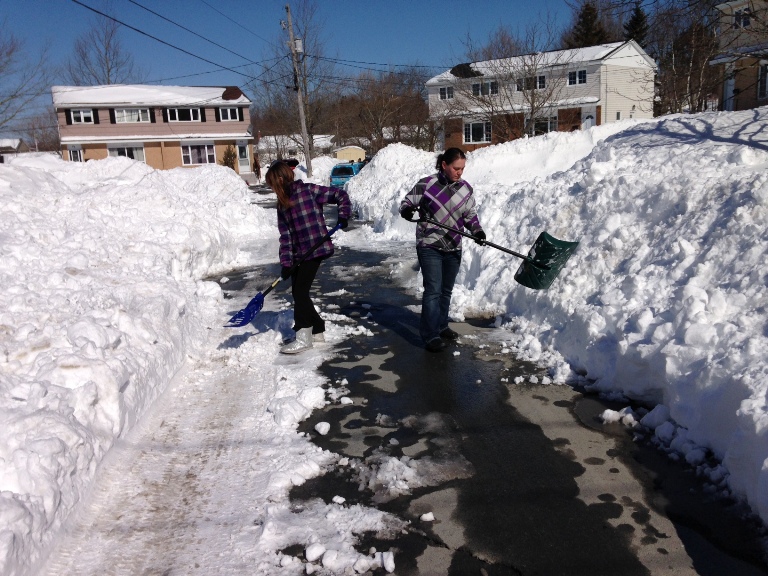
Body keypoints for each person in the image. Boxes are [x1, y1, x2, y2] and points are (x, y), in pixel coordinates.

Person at [399, 148, 486, 353]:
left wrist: (478, 231)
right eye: (456, 168)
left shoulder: (466, 189)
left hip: (454, 245)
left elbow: (470, 215)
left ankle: (441, 325)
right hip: (430, 244)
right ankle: (429, 335)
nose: (459, 172)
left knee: (446, 291)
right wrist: (407, 210)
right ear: (444, 165)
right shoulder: (427, 184)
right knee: (433, 290)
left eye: (462, 169)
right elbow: (407, 202)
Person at [265, 161, 351, 354]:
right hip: (298, 255)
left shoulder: (309, 191)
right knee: (298, 290)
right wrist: (286, 263)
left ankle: (303, 336)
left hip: (316, 249)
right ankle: (317, 329)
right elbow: (285, 236)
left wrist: (343, 215)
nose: (272, 188)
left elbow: (340, 195)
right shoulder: (282, 204)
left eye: (272, 183)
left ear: (281, 178)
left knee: (299, 292)